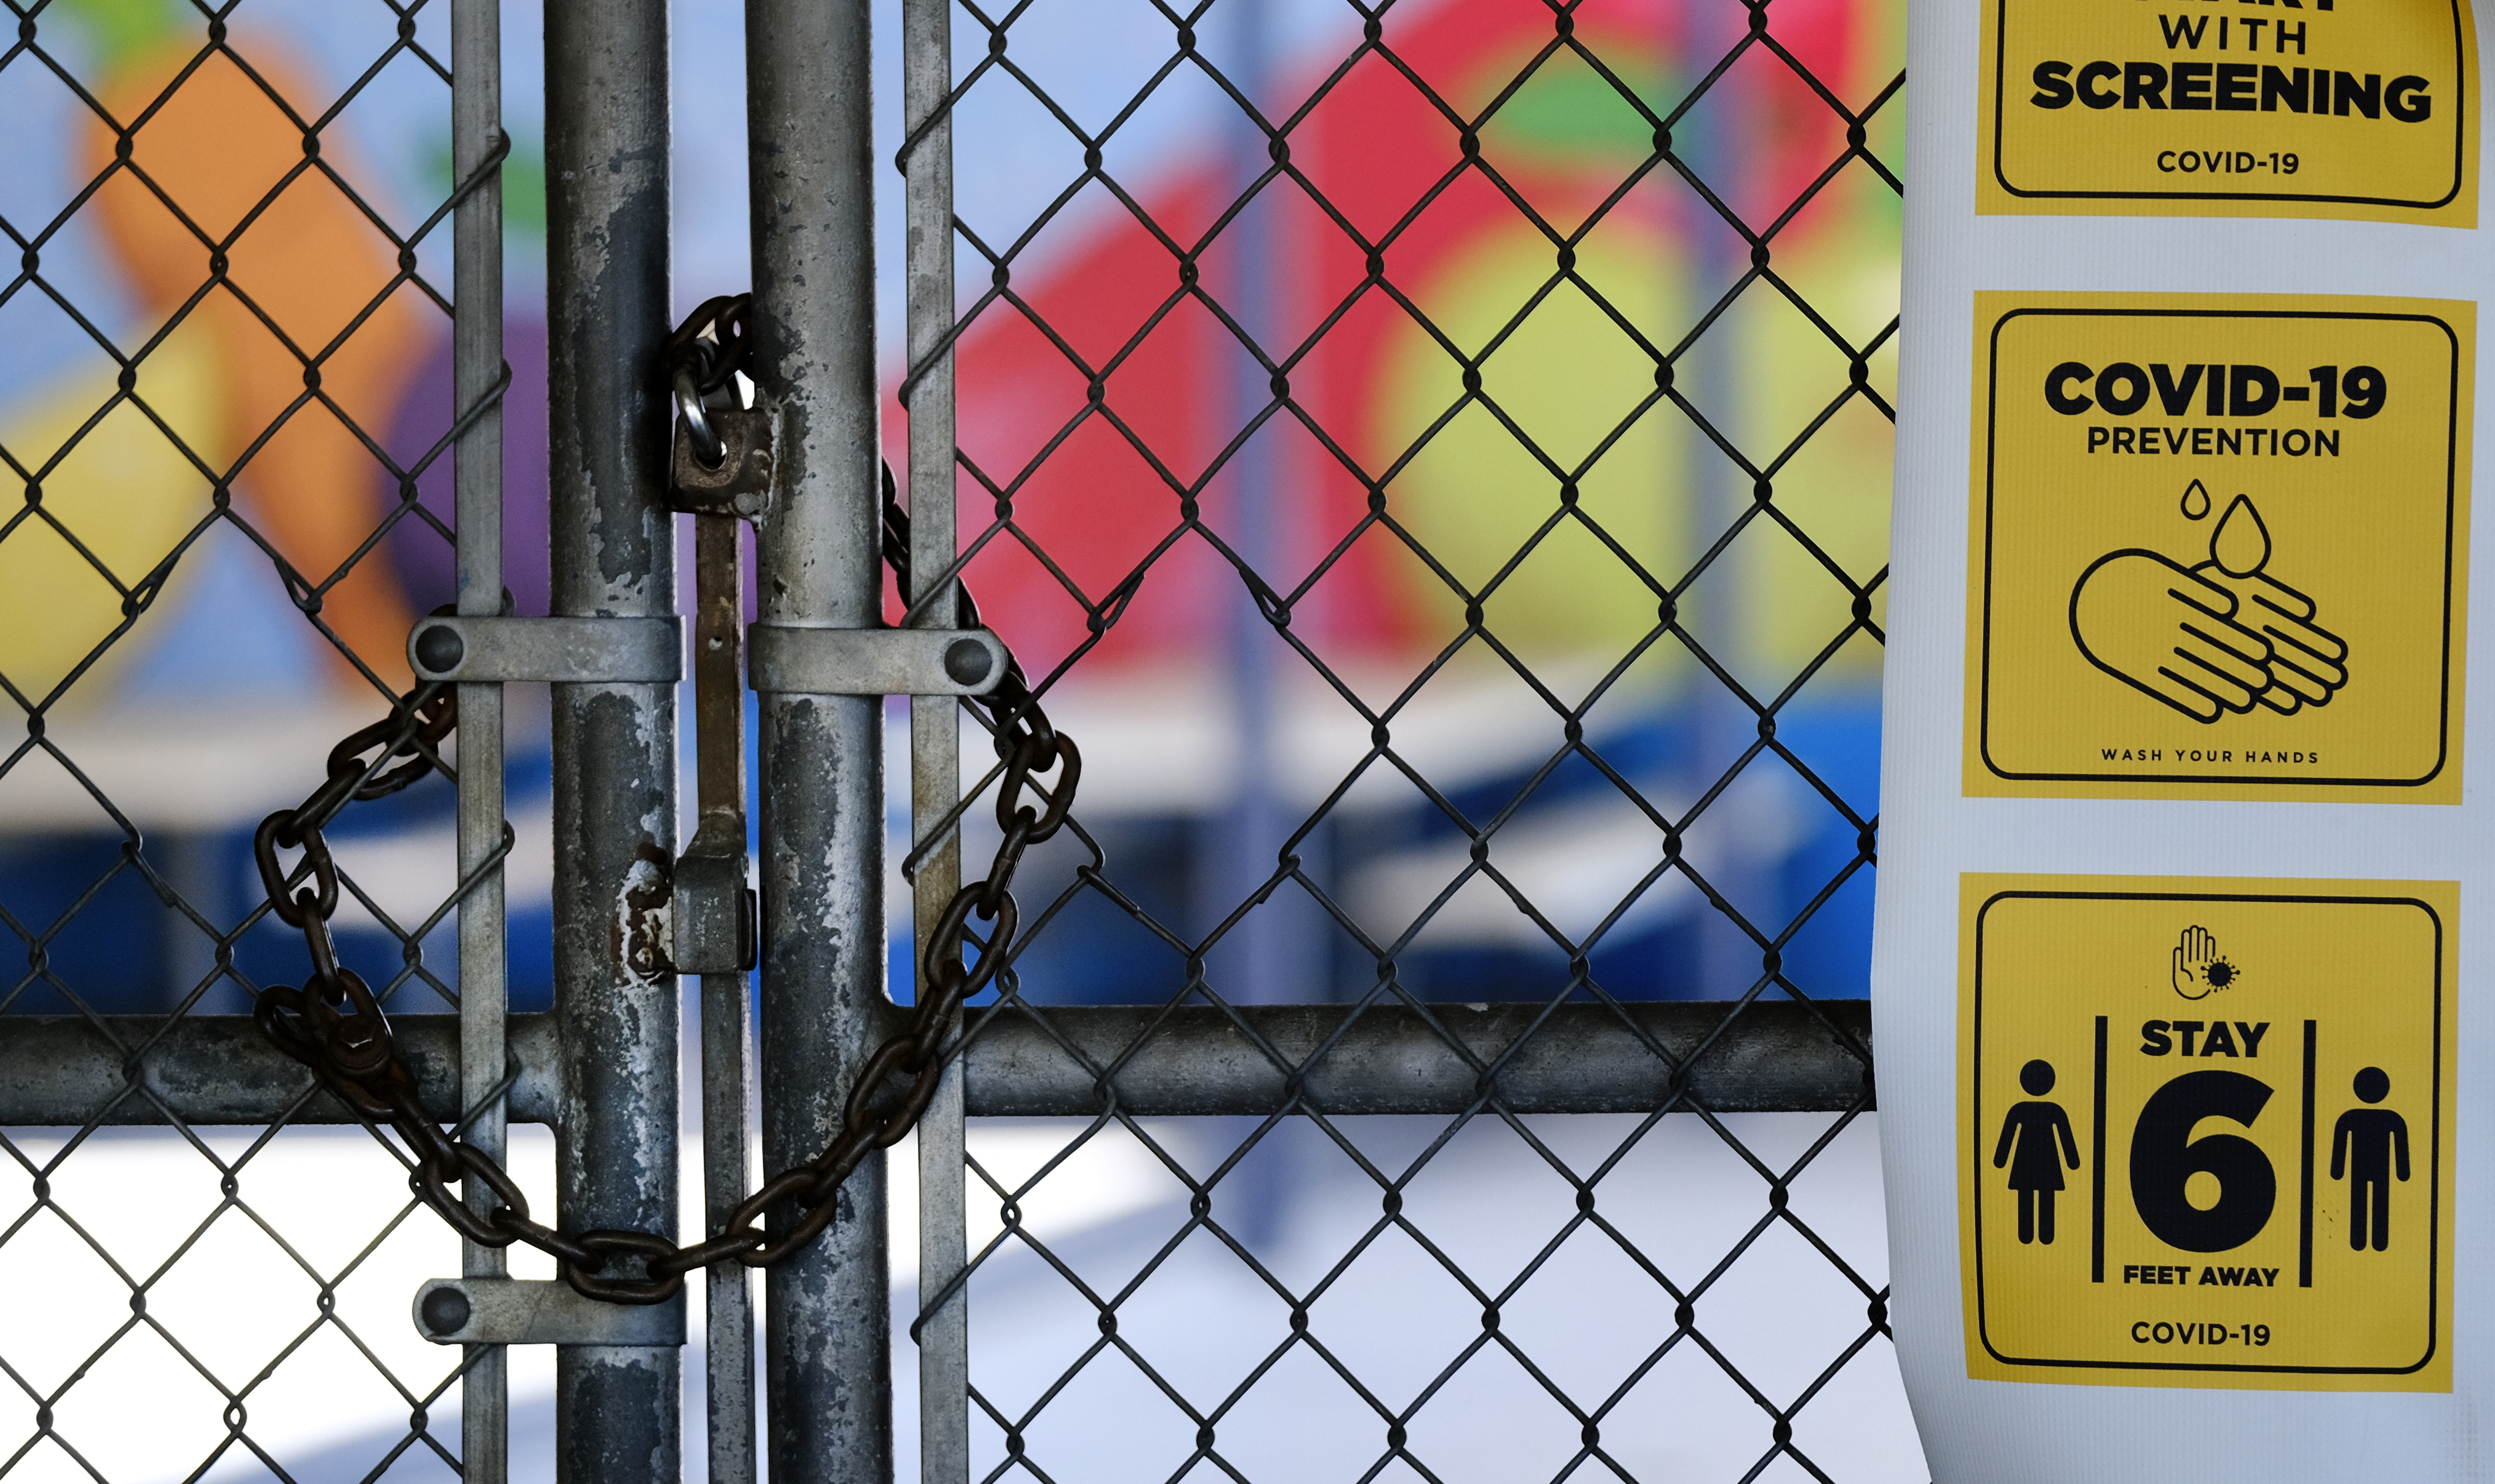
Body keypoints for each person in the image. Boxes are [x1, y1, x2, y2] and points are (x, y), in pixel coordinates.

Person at [1995, 1059, 2081, 1245]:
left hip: (2028, 1162)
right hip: (2045, 1163)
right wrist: (2072, 1161)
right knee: (2041, 1197)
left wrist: (2001, 1160)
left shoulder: (2023, 1109)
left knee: (2035, 1197)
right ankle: (2041, 1235)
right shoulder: (2052, 1110)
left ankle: (2035, 1235)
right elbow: (2008, 1135)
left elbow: (2007, 1138)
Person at [2330, 1067, 2410, 1252]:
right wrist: (2337, 1170)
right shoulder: (2386, 1118)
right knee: (2362, 1202)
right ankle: (2361, 1241)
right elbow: (2340, 1144)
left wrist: (2403, 1171)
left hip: (2373, 1169)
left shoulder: (2386, 1118)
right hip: (2366, 1169)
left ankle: (2376, 1241)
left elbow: (2401, 1145)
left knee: (2376, 1201)